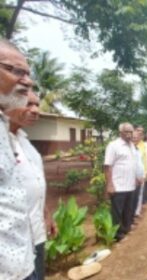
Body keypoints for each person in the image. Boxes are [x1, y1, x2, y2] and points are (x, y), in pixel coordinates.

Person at [7, 90, 57, 280]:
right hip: (11, 241)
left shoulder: (25, 142)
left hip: (35, 231)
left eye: (37, 104)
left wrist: (47, 215)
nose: (36, 110)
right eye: (28, 104)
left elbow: (36, 183)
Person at [0, 39, 37, 280]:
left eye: (28, 73)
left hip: (21, 262)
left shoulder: (6, 131)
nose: (28, 80)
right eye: (16, 71)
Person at [104, 123, 143, 241]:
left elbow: (132, 163)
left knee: (128, 210)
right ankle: (117, 235)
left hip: (130, 185)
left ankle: (126, 229)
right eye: (126, 132)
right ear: (120, 132)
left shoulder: (132, 146)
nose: (129, 134)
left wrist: (136, 177)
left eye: (131, 132)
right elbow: (107, 166)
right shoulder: (113, 145)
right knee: (117, 212)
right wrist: (109, 184)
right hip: (118, 186)